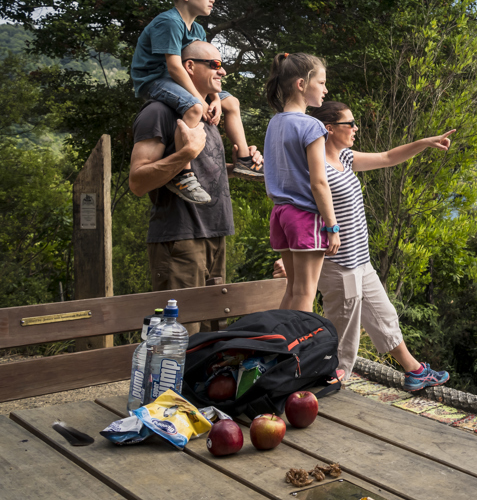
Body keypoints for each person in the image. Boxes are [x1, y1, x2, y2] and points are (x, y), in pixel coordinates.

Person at [277, 101, 454, 390]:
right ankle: (329, 381)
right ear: (329, 128)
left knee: (384, 316)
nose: (355, 129)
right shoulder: (315, 166)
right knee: (344, 332)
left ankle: (415, 371)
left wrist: (425, 143)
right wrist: (291, 258)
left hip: (361, 261)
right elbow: (299, 211)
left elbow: (386, 157)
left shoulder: (344, 158)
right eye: (350, 124)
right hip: (338, 264)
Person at [129, 40, 263, 330]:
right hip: (180, 239)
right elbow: (137, 181)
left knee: (214, 335)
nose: (223, 72)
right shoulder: (160, 112)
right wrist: (186, 154)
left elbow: (206, 167)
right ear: (189, 66)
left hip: (216, 234)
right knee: (181, 339)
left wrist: (242, 166)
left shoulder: (210, 114)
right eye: (214, 65)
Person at [130, 0, 263, 204]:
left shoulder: (198, 31)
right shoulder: (169, 22)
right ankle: (183, 174)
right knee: (193, 107)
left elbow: (199, 69)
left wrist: (215, 98)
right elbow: (174, 67)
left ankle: (244, 161)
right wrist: (200, 101)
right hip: (153, 80)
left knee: (231, 102)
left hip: (176, 82)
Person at [263, 52, 339, 313]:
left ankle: (281, 347)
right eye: (321, 82)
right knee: (306, 294)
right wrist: (332, 226)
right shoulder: (312, 126)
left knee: (293, 290)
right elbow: (319, 182)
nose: (325, 89)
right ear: (301, 84)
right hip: (305, 216)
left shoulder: (275, 123)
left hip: (281, 214)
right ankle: (298, 353)